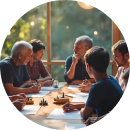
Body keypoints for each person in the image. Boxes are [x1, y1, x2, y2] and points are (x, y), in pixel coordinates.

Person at [62, 46, 123, 120]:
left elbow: (85, 114)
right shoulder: (112, 79)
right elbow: (95, 103)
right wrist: (75, 106)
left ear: (89, 67)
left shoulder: (97, 87)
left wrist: (82, 110)